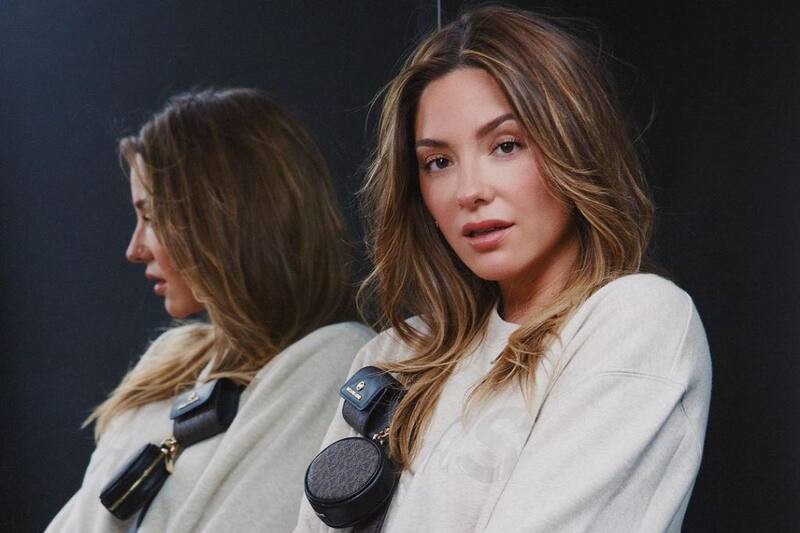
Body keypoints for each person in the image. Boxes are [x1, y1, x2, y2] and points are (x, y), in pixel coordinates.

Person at [296, 6, 711, 532]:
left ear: (573, 145)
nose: (469, 191)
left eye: (506, 145)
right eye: (438, 162)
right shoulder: (395, 357)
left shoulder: (635, 320)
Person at [47, 88, 374, 532]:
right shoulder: (169, 367)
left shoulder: (335, 360)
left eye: (150, 217)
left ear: (219, 217)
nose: (134, 248)